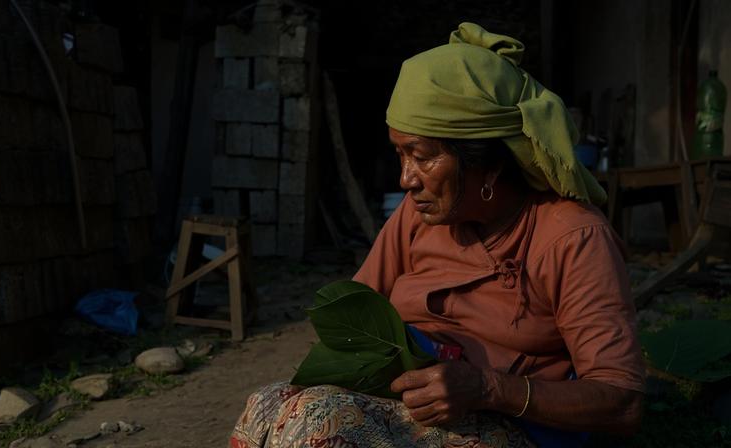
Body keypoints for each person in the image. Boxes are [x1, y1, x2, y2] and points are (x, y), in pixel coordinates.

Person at [230, 22, 645, 448]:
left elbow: (622, 402)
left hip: (508, 424)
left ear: (488, 164)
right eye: (400, 154)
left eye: (422, 157)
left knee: (324, 423)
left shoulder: (572, 237)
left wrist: (487, 388)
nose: (406, 178)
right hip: (412, 401)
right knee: (267, 403)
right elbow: (353, 315)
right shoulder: (417, 214)